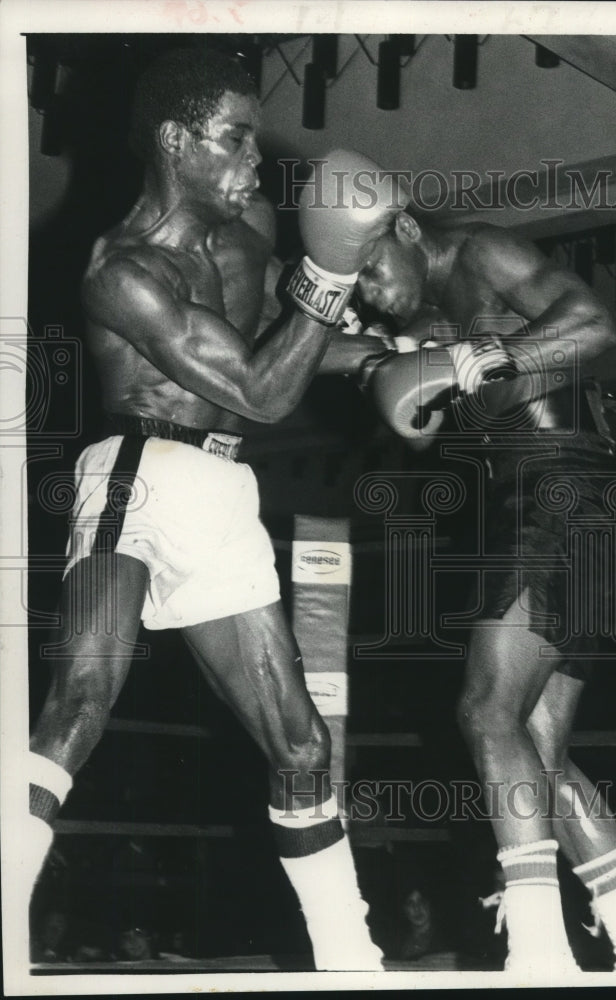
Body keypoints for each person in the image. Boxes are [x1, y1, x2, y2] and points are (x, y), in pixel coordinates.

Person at [26, 50, 400, 972]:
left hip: (227, 492)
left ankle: (352, 962)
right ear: (175, 141)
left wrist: (396, 348)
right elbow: (261, 391)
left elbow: (291, 346)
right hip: (138, 474)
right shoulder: (121, 269)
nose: (253, 162)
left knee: (303, 743)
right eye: (234, 140)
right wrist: (333, 278)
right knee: (78, 706)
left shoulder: (250, 234)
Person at [343, 149, 616, 979]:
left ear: (401, 227)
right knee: (540, 747)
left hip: (561, 486)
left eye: (367, 270)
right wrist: (375, 347)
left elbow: (596, 324)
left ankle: (539, 947)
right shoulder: (426, 310)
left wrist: (482, 359)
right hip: (559, 497)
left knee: (484, 712)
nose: (367, 290)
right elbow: (364, 362)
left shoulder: (480, 252)